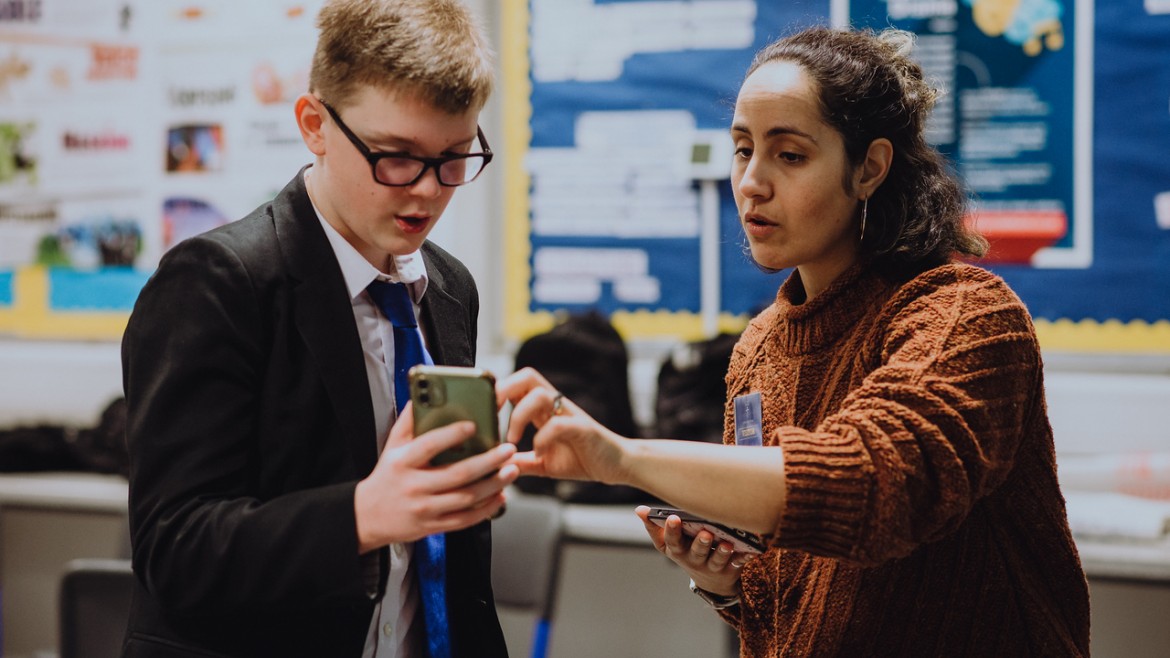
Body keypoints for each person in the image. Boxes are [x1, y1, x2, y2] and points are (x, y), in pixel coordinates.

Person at [500, 26, 1090, 657]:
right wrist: (726, 583)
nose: (752, 181)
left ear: (869, 168)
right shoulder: (759, 350)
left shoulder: (966, 315)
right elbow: (786, 613)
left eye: (789, 155)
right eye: (742, 149)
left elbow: (876, 486)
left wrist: (621, 458)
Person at [121, 1, 516, 656]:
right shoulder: (218, 283)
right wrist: (364, 515)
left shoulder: (449, 289)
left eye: (454, 157)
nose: (425, 191)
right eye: (395, 156)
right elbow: (175, 547)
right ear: (314, 125)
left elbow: (446, 560)